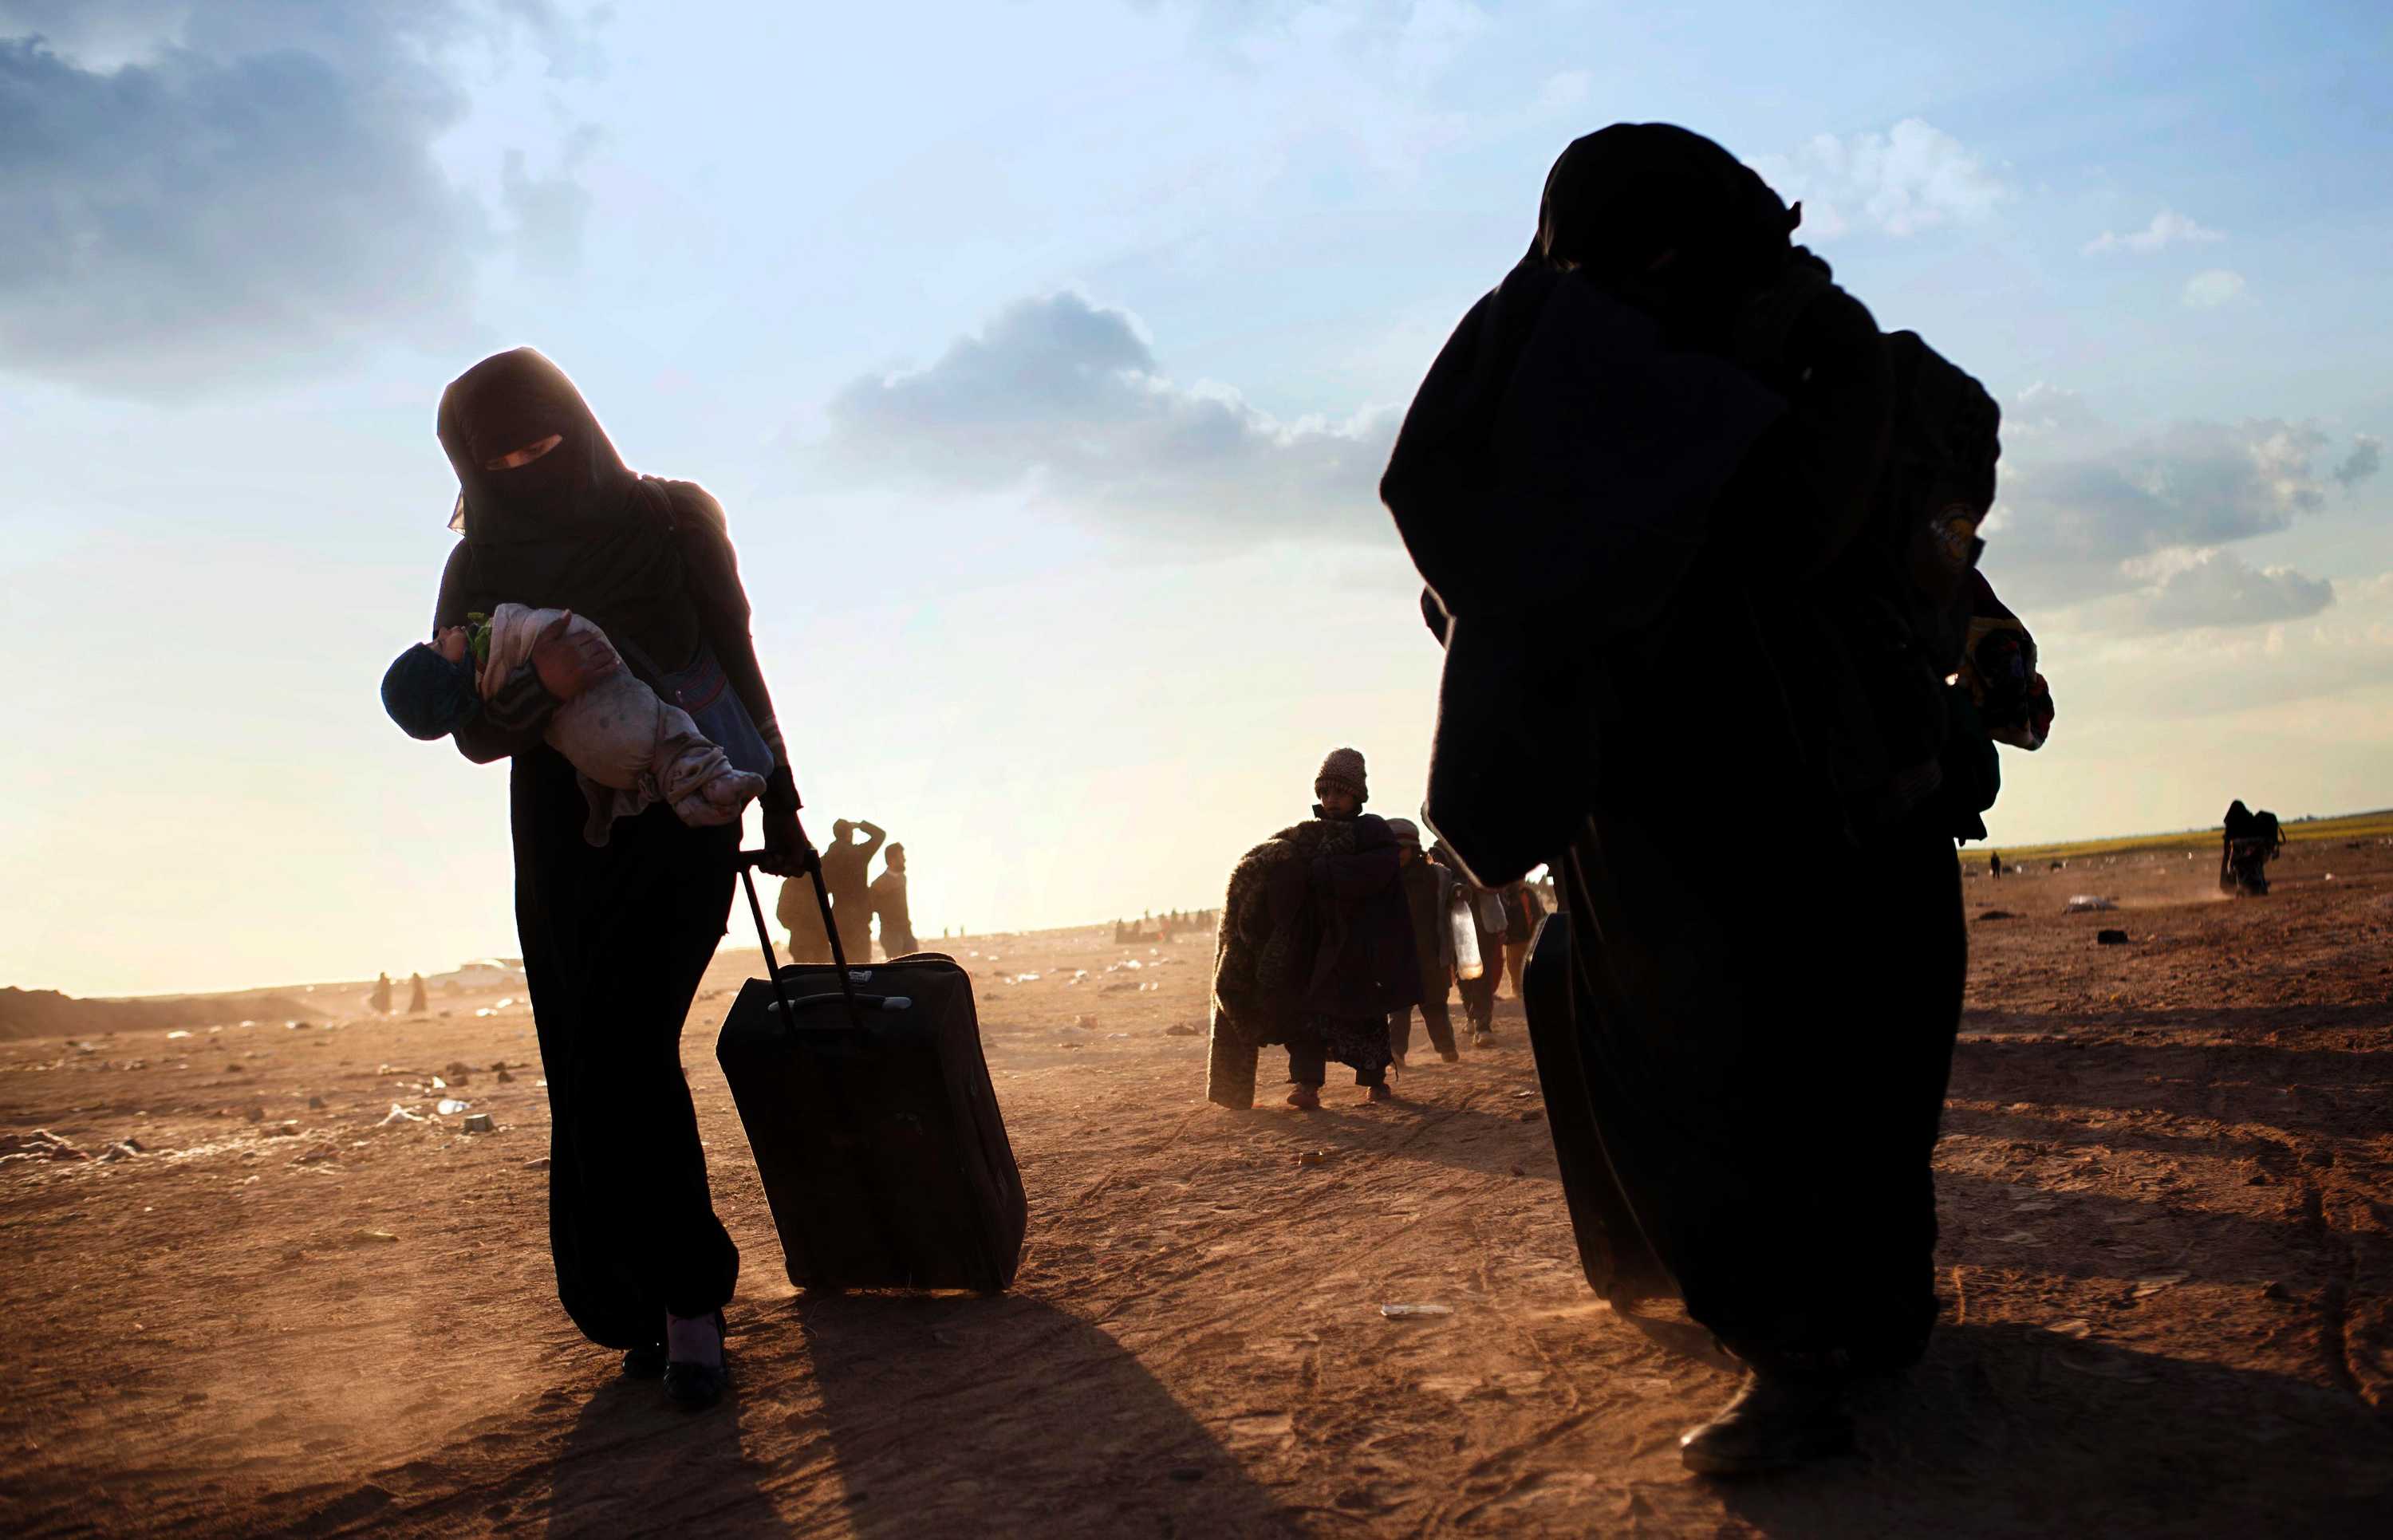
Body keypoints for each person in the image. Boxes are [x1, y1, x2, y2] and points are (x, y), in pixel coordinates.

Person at [1382, 124, 1981, 1475]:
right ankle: (1836, 1333)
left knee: (1767, 1084)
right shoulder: (1731, 359)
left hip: (1767, 802)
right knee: (1816, 1077)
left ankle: (1814, 1350)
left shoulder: (1687, 369)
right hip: (1784, 800)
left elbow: (1832, 540)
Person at [415, 346, 809, 1410]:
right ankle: (634, 1297)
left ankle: (690, 1302)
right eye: (498, 458)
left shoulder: (675, 519)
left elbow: (736, 652)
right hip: (558, 839)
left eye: (544, 443)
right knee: (588, 1067)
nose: (527, 467)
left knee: (631, 1047)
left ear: (580, 426)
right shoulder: (475, 569)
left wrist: (785, 799)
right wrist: (531, 688)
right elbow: (472, 739)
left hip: (686, 816)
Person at [382, 606, 763, 845]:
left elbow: (731, 635)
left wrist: (781, 804)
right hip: (571, 821)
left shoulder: (659, 512)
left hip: (693, 769)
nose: (441, 636)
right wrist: (543, 684)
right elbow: (471, 734)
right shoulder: (478, 561)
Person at [1208, 749, 1420, 1109]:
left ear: (1358, 794)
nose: (1330, 800)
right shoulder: (1306, 837)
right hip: (1314, 947)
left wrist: (1321, 872)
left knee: (1365, 1018)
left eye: (1339, 792)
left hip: (1358, 947)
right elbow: (1281, 876)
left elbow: (1374, 873)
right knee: (1306, 1018)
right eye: (1324, 793)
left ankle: (1375, 1081)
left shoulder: (1372, 832)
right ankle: (1308, 1086)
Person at [1385, 818, 1460, 1064]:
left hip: (1430, 954)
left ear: (1413, 848)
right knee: (1398, 1009)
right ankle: (1396, 1053)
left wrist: (1460, 892)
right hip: (1396, 955)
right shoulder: (1383, 880)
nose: (1397, 855)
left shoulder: (1435, 875)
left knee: (1435, 1006)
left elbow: (1452, 889)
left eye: (1401, 849)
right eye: (1391, 849)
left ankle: (1446, 1048)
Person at [818, 818, 885, 962]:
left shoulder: (826, 860)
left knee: (841, 964)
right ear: (849, 833)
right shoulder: (859, 854)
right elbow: (880, 835)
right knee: (862, 965)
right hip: (859, 918)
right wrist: (860, 825)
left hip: (838, 917)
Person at [1500, 876, 1547, 998]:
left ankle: (1530, 992)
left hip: (1529, 940)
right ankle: (1518, 994)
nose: (1520, 880)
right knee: (1515, 971)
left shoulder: (1529, 894)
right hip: (1513, 942)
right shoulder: (1506, 895)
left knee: (1529, 968)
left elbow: (1539, 914)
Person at [871, 841, 918, 959]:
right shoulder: (879, 883)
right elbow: (872, 906)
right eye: (901, 857)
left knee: (916, 963)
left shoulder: (903, 878)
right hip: (890, 933)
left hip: (907, 930)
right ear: (892, 860)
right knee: (896, 967)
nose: (905, 860)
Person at [778, 868, 834, 965]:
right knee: (812, 972)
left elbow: (782, 914)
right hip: (806, 941)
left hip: (817, 941)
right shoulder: (814, 882)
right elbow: (782, 914)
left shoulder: (816, 882)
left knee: (815, 973)